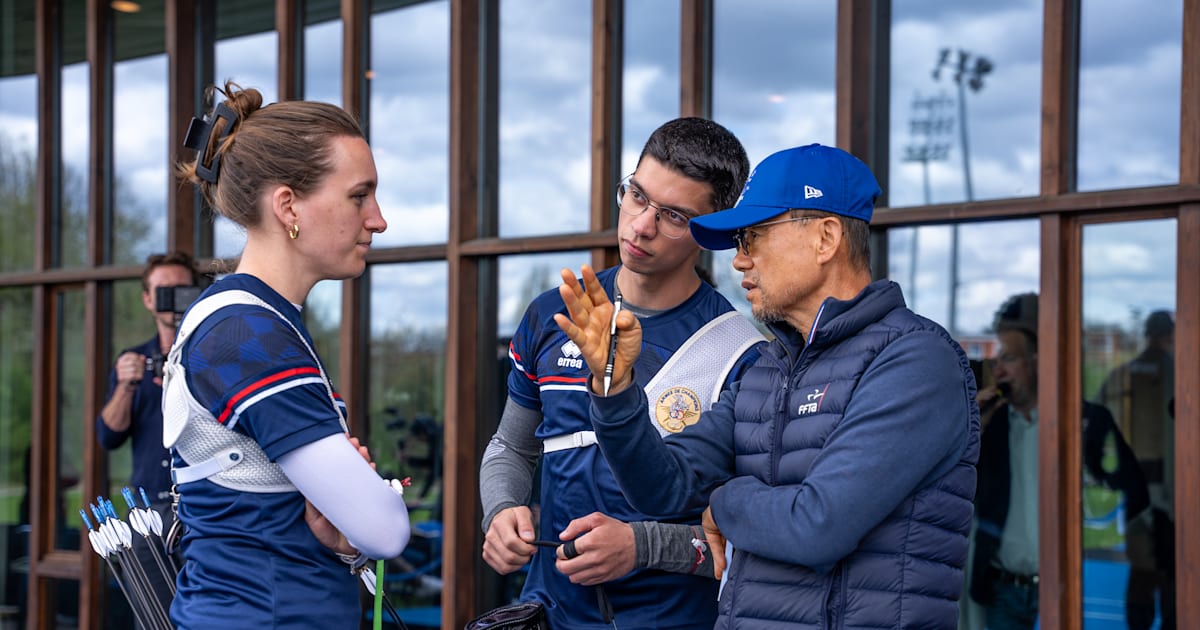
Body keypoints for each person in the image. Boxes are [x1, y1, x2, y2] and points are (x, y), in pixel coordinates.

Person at [554, 143, 980, 629]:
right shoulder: (769, 367)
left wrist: (722, 502)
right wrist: (614, 385)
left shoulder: (916, 359)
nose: (739, 261)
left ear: (825, 238)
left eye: (752, 238)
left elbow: (819, 525)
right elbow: (662, 489)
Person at [479, 117, 765, 628]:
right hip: (550, 610)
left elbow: (747, 533)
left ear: (711, 231)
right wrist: (500, 511)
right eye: (636, 195)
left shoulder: (741, 353)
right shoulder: (553, 314)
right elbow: (510, 447)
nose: (640, 225)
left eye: (674, 216)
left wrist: (642, 548)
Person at [163, 82, 410, 628]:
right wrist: (370, 507)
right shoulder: (247, 337)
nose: (378, 219)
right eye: (358, 195)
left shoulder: (257, 322)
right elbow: (386, 529)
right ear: (287, 205)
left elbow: (330, 529)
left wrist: (347, 539)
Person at [969, 293, 1148, 630]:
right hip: (1002, 590)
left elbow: (1134, 495)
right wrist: (969, 432)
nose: (999, 370)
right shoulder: (988, 427)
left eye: (1009, 359)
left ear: (1038, 361)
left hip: (1068, 591)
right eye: (997, 361)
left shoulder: (1087, 422)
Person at [96, 250, 200, 625]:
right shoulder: (134, 359)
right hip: (147, 514)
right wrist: (126, 385)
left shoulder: (212, 355)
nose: (171, 299)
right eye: (163, 291)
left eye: (180, 290)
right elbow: (108, 436)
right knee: (154, 618)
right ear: (146, 298)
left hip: (203, 509)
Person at [1093, 309, 1175, 629]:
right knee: (1172, 570)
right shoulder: (1182, 374)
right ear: (1170, 336)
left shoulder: (1123, 376)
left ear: (1147, 335)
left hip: (1137, 486)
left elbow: (1094, 423)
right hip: (1175, 488)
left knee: (1142, 570)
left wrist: (1104, 472)